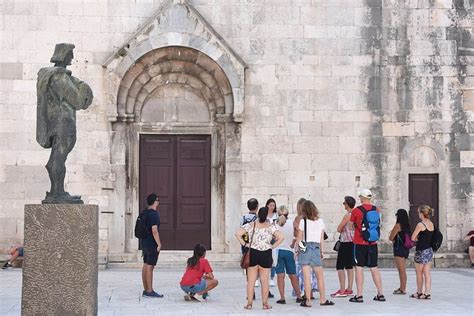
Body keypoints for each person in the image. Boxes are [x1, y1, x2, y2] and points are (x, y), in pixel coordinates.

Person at [36, 43, 93, 203]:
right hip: (64, 122)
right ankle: (57, 193)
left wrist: (80, 84)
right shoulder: (59, 77)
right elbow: (77, 100)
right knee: (58, 157)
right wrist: (84, 89)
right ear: (64, 55)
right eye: (70, 54)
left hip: (57, 122)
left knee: (58, 156)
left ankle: (57, 191)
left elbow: (75, 84)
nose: (72, 57)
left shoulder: (58, 76)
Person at [235, 207, 284, 310]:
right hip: (266, 254)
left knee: (251, 281)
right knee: (265, 281)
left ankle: (249, 303)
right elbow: (281, 237)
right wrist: (272, 246)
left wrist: (245, 244)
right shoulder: (271, 227)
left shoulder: (251, 225)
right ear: (266, 215)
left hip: (253, 253)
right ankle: (265, 304)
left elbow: (237, 233)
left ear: (258, 214)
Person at [295, 200, 334, 307]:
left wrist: (298, 251)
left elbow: (299, 239)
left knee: (306, 277)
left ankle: (308, 301)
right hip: (316, 247)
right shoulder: (320, 221)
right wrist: (322, 251)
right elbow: (322, 239)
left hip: (305, 247)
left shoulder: (303, 222)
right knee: (320, 276)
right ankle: (322, 299)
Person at [349, 188, 385, 303]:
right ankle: (380, 293)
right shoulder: (377, 210)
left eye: (360, 197)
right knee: (374, 268)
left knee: (359, 268)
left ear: (362, 198)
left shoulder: (356, 211)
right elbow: (380, 224)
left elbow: (350, 226)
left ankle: (359, 295)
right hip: (373, 242)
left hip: (359, 243)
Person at [274, 205, 303, 304]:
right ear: (288, 214)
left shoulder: (274, 224)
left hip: (278, 251)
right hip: (289, 251)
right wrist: (293, 242)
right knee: (293, 274)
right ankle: (299, 296)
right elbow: (296, 235)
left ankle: (282, 298)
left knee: (280, 275)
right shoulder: (292, 223)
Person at [331, 196, 355, 298]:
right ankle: (349, 288)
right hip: (353, 242)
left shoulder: (348, 215)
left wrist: (342, 229)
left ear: (347, 204)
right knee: (350, 266)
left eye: (344, 203)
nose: (343, 205)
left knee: (340, 266)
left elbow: (339, 228)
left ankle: (342, 289)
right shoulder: (356, 214)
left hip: (345, 242)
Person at [293, 198, 317, 299]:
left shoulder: (298, 219)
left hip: (302, 244)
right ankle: (310, 292)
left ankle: (304, 293)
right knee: (310, 270)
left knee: (302, 270)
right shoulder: (313, 219)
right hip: (312, 245)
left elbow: (296, 235)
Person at [141, 193, 163, 298]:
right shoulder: (153, 214)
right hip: (151, 243)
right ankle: (150, 291)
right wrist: (159, 244)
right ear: (155, 201)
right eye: (158, 200)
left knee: (146, 264)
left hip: (144, 242)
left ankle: (146, 289)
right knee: (150, 266)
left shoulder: (145, 213)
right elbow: (154, 231)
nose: (158, 202)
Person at [411, 205, 435, 300]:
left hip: (421, 251)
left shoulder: (420, 225)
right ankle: (427, 293)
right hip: (429, 250)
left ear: (422, 213)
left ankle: (419, 292)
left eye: (418, 213)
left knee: (419, 273)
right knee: (427, 273)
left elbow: (413, 238)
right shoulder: (431, 224)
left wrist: (418, 238)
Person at [389, 209, 411, 295]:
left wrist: (390, 234)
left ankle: (402, 289)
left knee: (401, 270)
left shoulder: (398, 225)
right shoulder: (407, 226)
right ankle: (402, 287)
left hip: (399, 249)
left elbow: (391, 238)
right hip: (405, 249)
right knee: (403, 270)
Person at [241, 198, 259, 292]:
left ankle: (250, 288)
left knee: (248, 267)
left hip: (245, 245)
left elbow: (241, 231)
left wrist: (244, 244)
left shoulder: (243, 218)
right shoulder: (258, 218)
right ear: (257, 207)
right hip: (255, 245)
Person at [266, 198, 278, 288]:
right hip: (265, 239)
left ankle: (271, 278)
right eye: (270, 205)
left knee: (273, 259)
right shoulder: (264, 215)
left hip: (274, 239)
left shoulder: (276, 216)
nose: (272, 207)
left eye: (273, 205)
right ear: (267, 205)